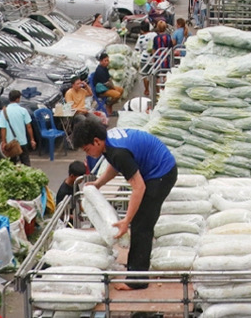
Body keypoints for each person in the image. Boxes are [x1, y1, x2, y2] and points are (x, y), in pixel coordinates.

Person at [73, 118, 178, 291]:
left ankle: (137, 280)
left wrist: (126, 221)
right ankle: (135, 270)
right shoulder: (108, 143)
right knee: (140, 222)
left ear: (96, 141)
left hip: (161, 174)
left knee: (141, 225)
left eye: (87, 149)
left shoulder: (117, 151)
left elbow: (139, 187)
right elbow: (115, 166)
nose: (88, 154)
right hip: (154, 170)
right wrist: (99, 183)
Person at [0, 90, 36, 166]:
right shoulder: (23, 111)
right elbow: (28, 126)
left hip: (11, 143)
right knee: (26, 164)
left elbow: (3, 128)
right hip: (22, 141)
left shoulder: (4, 112)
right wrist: (32, 139)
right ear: (17, 99)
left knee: (12, 165)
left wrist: (4, 142)